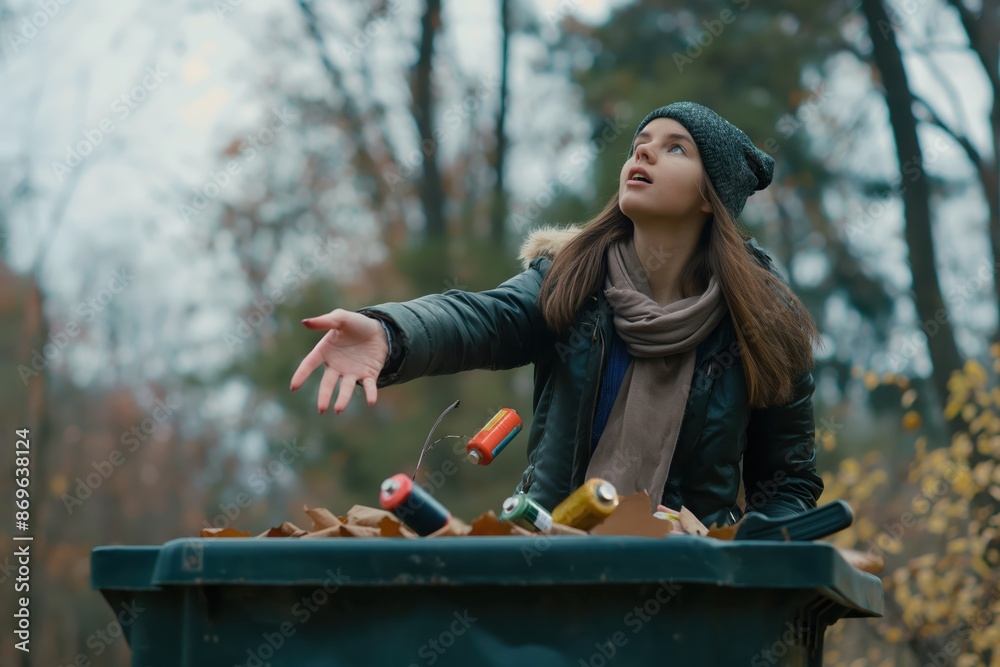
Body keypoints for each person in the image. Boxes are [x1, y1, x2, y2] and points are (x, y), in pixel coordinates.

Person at [289, 102, 824, 529]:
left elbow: (788, 483)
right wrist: (390, 329)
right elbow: (483, 318)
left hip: (690, 587)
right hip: (549, 560)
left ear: (712, 197)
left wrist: (760, 544)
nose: (645, 155)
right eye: (640, 146)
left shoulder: (763, 326)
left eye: (675, 148)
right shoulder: (574, 280)